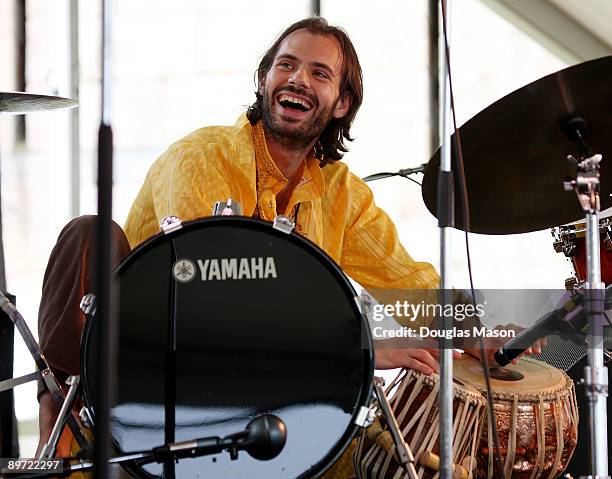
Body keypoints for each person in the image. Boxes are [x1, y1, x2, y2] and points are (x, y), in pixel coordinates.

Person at [36, 17, 536, 477]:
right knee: (90, 228)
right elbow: (205, 308)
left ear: (341, 102)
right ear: (264, 81)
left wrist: (479, 333)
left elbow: (410, 284)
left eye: (320, 73)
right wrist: (354, 351)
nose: (297, 79)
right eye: (286, 64)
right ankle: (57, 430)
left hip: (268, 398)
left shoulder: (342, 194)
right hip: (165, 381)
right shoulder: (202, 157)